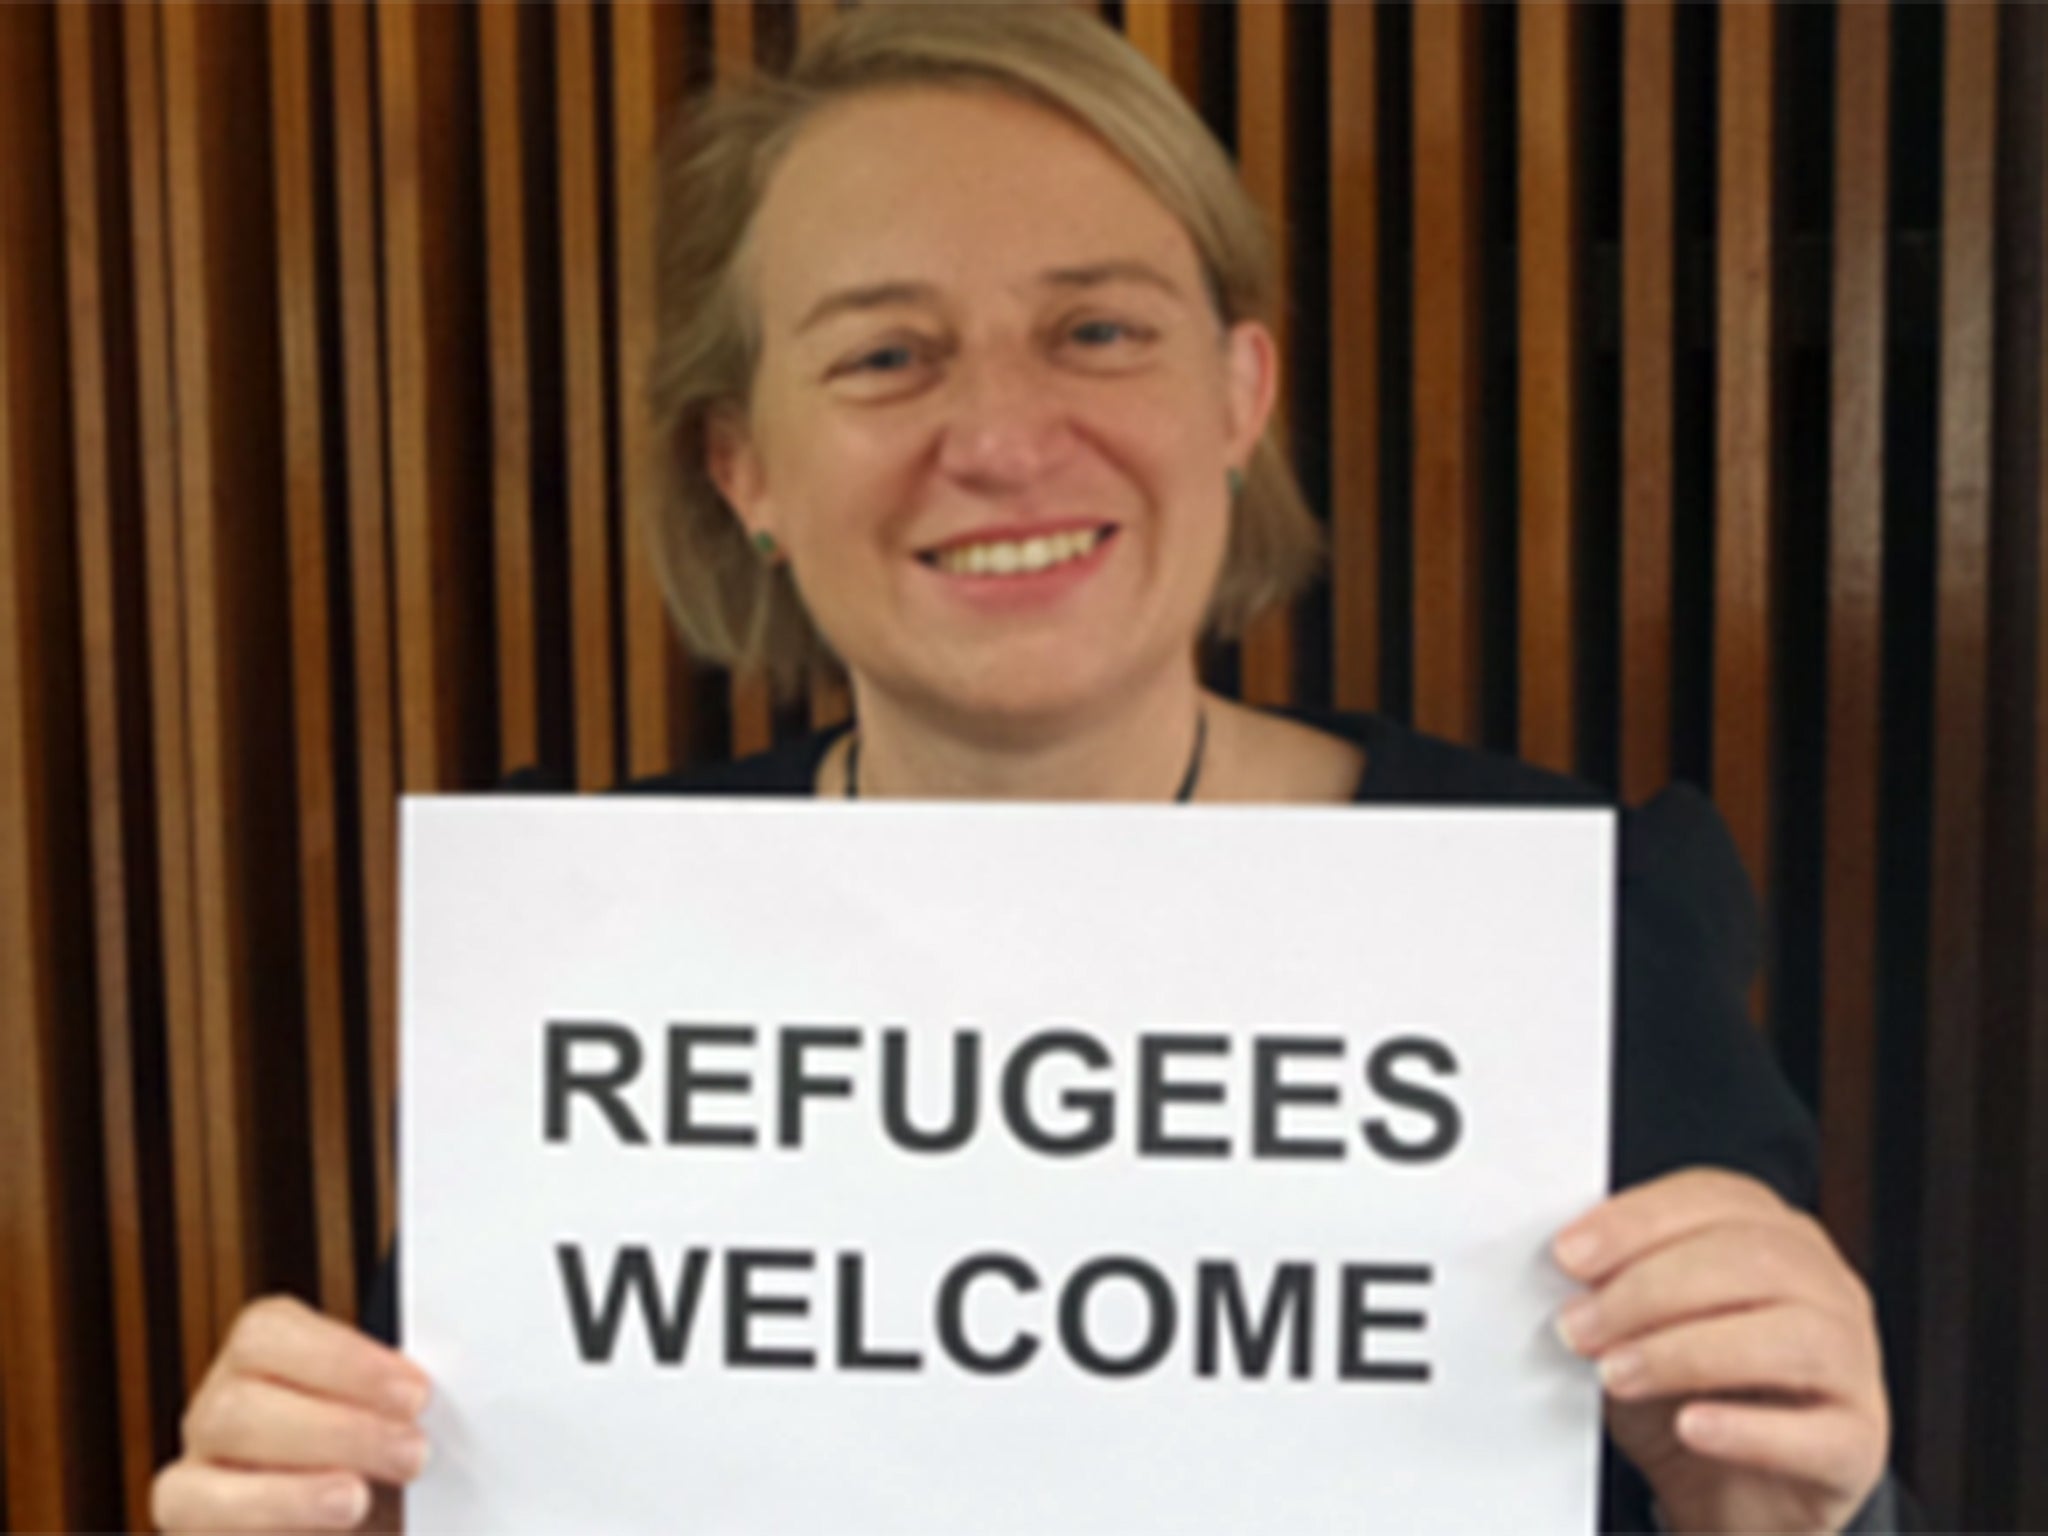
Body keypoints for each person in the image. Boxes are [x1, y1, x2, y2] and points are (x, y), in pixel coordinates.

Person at [152, 7, 1904, 1532]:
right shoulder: (588, 950)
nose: (998, 439)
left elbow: (1744, 1492)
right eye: (886, 355)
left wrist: (1798, 1524)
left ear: (1239, 395)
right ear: (744, 466)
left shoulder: (1576, 925)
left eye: (1098, 330)